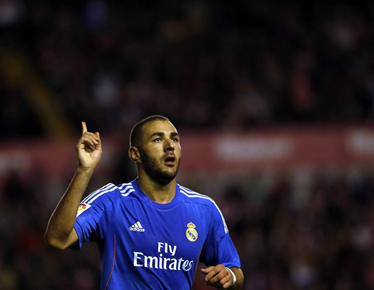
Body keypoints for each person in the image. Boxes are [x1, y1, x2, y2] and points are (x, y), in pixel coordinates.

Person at [45, 115, 244, 289]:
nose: (170, 146)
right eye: (158, 139)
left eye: (175, 139)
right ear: (135, 154)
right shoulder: (111, 201)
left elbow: (235, 271)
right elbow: (57, 238)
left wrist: (231, 277)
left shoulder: (204, 209)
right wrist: (85, 170)